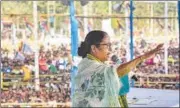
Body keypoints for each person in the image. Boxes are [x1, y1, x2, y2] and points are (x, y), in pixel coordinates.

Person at [72, 30, 163, 107]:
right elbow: (115, 72)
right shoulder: (89, 65)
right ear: (94, 48)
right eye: (107, 45)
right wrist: (144, 56)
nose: (110, 49)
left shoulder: (96, 65)